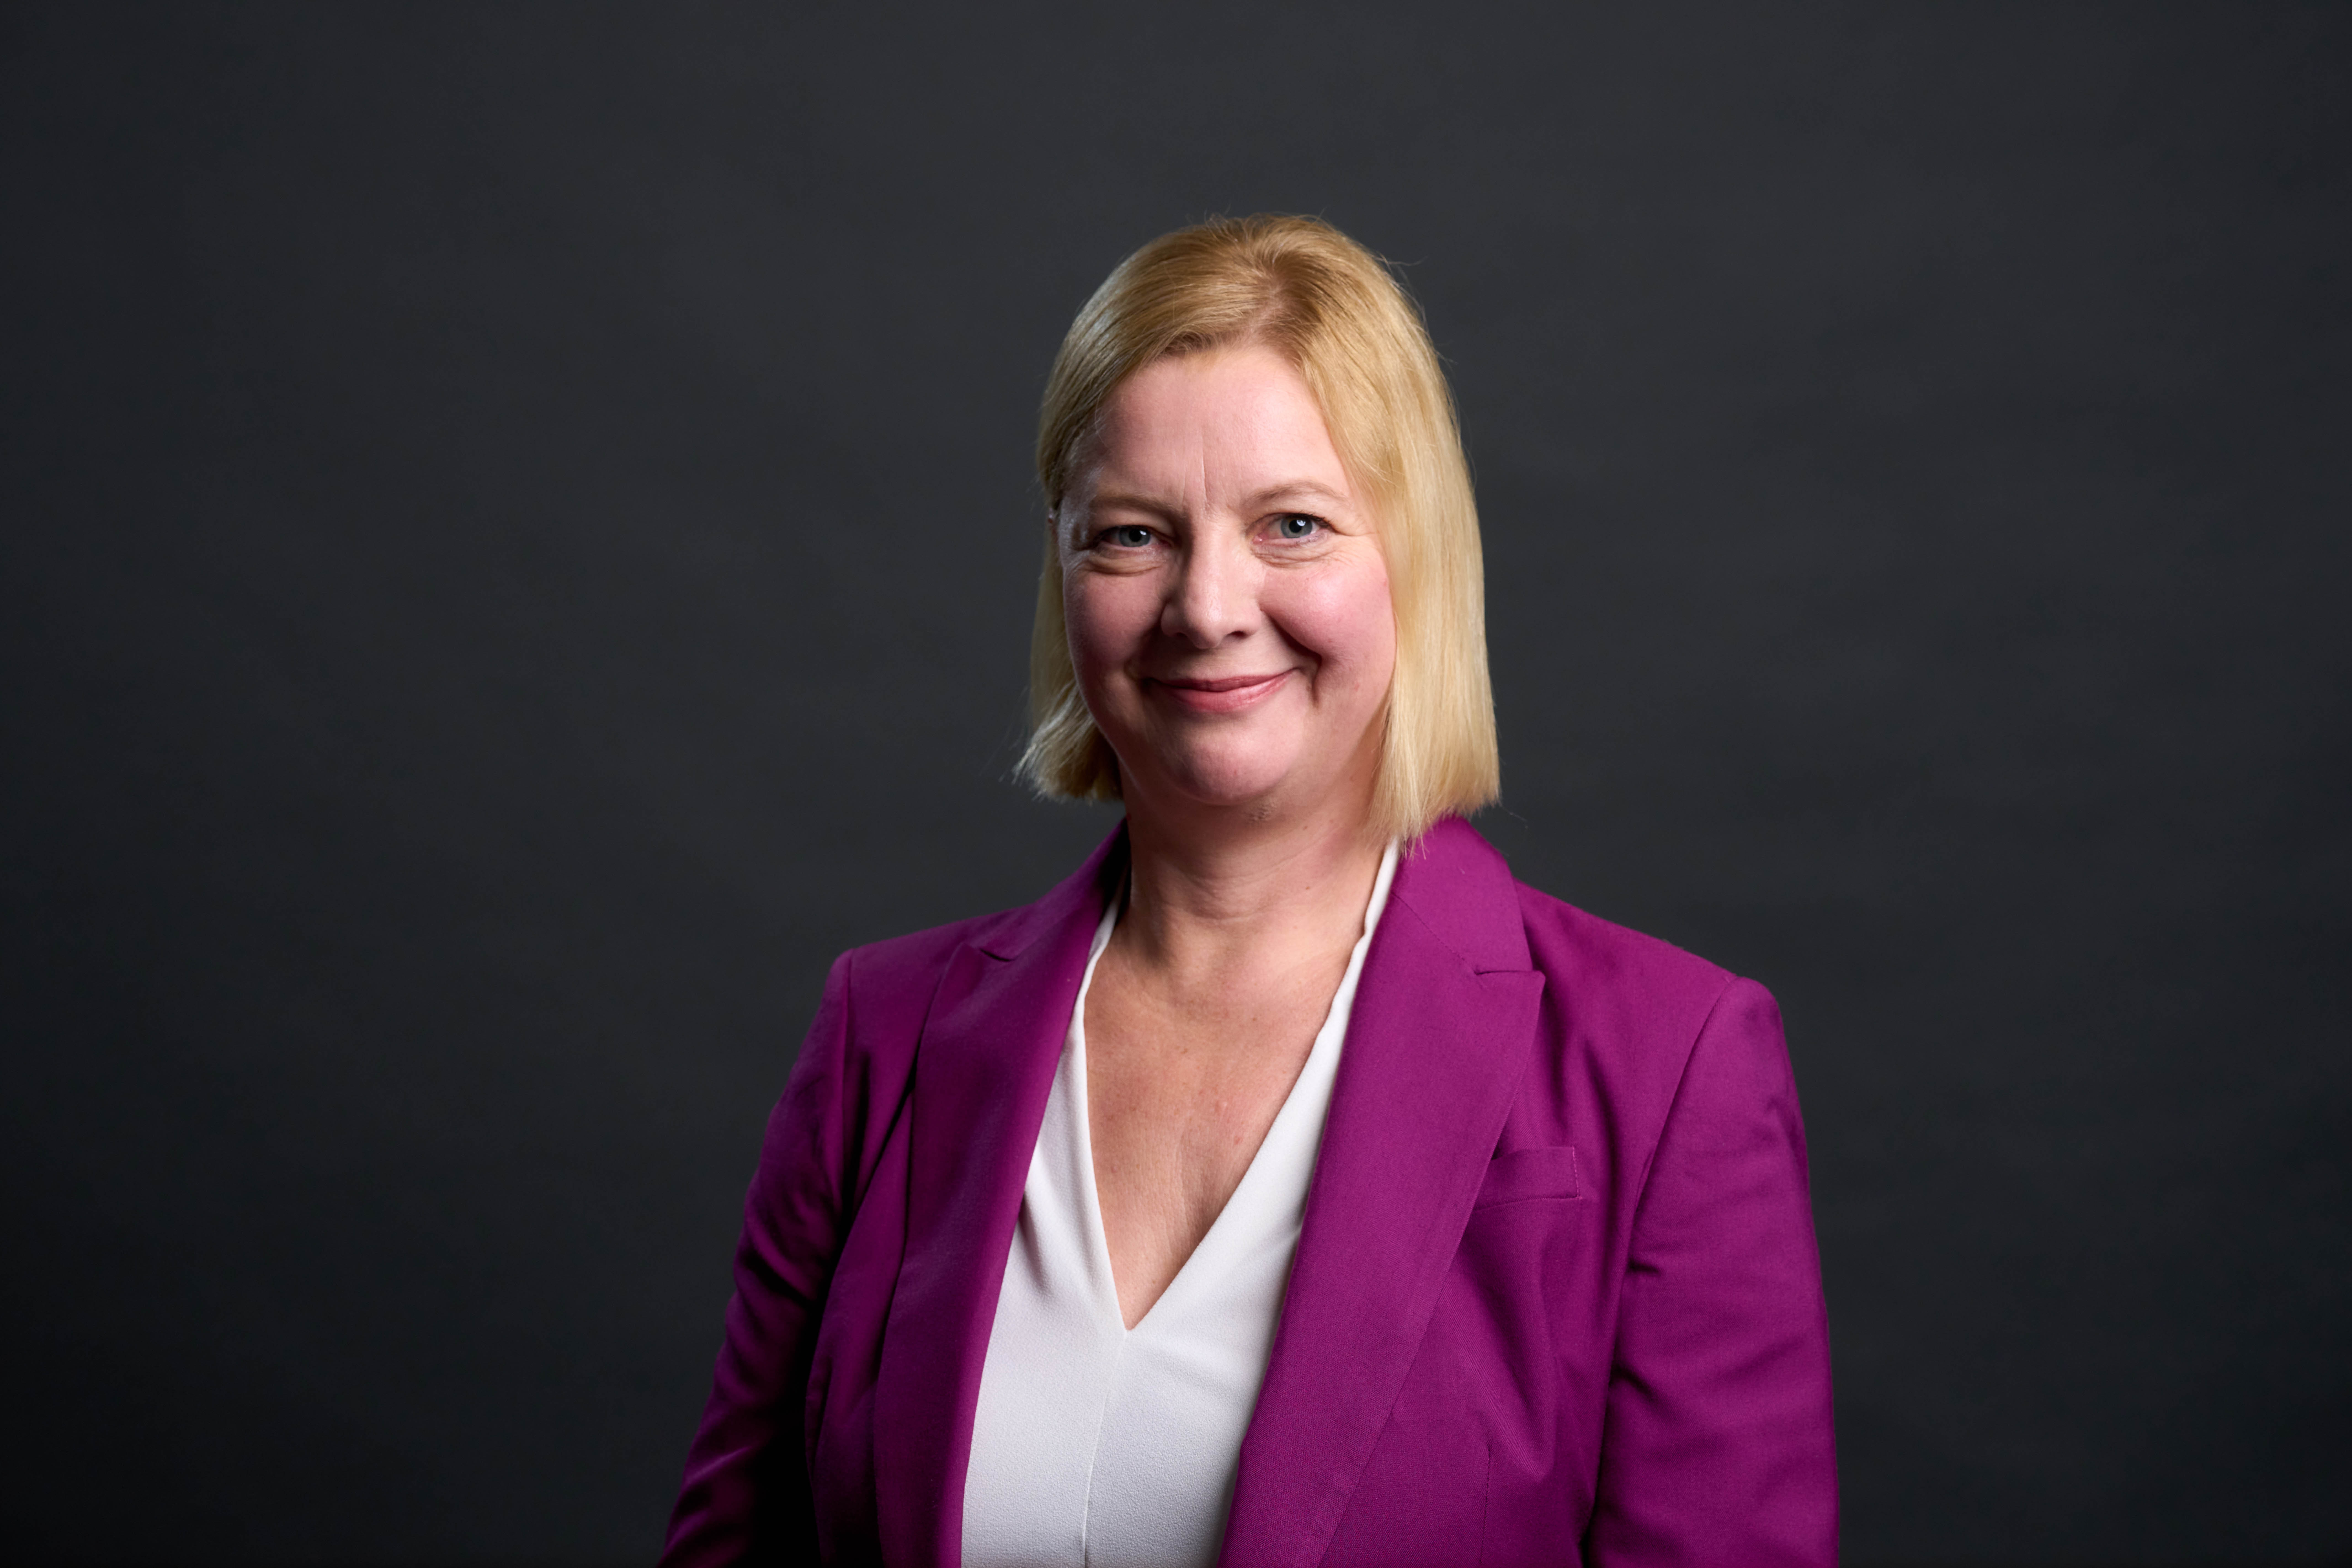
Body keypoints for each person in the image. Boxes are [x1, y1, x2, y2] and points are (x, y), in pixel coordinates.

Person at [660, 215, 1836, 1567]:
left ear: (1415, 559)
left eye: (1292, 525)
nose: (1207, 605)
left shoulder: (1667, 1063)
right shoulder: (883, 1035)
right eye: (1132, 533)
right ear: (1063, 568)